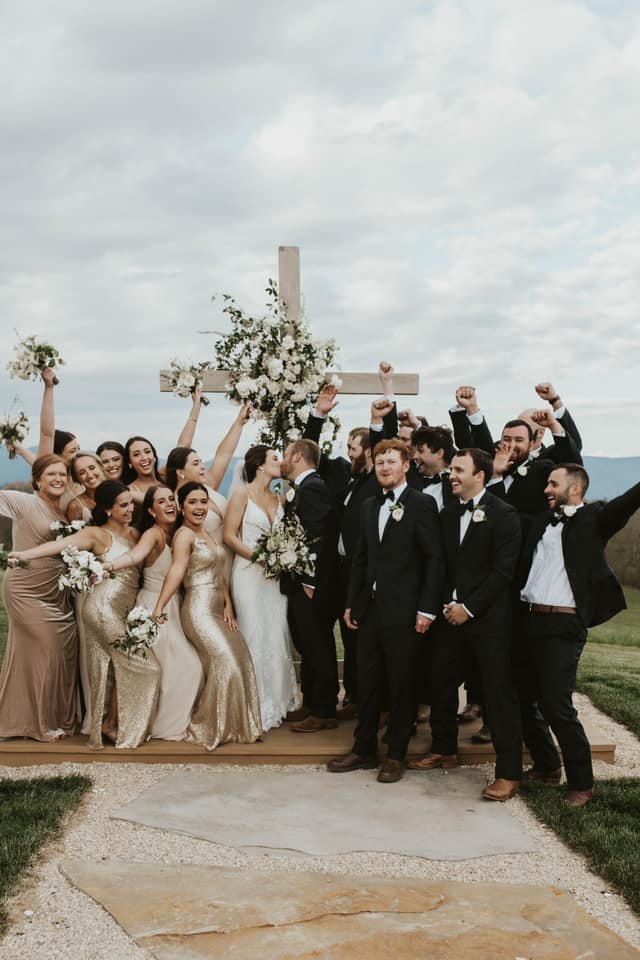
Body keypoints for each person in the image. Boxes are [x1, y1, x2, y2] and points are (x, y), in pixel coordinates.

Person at [517, 464, 640, 807]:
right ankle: (546, 766)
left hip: (564, 626)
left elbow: (630, 500)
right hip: (529, 620)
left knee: (556, 705)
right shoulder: (542, 521)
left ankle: (582, 785)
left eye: (553, 483)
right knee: (523, 699)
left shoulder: (595, 519)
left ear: (574, 489)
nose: (546, 489)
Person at [408, 449, 523, 801]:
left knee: (497, 695)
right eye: (452, 469)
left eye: (459, 470)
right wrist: (441, 607)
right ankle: (444, 748)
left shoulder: (505, 515)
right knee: (440, 683)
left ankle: (508, 774)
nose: (451, 475)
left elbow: (503, 572)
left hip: (488, 622)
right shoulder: (447, 514)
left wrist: (469, 608)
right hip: (448, 619)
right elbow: (439, 566)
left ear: (481, 475)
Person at [11, 481, 162, 749]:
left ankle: (110, 725)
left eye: (131, 503)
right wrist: (24, 554)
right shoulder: (95, 534)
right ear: (106, 508)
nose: (130, 509)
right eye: (123, 505)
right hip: (101, 609)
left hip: (123, 610)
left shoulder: (137, 535)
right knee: (147, 667)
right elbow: (61, 545)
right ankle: (115, 727)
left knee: (116, 668)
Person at [328, 439, 443, 782]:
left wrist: (427, 609)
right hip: (371, 609)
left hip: (407, 611)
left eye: (391, 461)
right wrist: (352, 602)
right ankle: (363, 748)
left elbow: (434, 560)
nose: (385, 467)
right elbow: (361, 559)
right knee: (367, 678)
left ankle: (395, 753)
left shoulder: (421, 504)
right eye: (380, 462)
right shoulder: (368, 506)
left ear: (406, 465)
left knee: (402, 682)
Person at [152, 482, 262, 750]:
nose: (199, 507)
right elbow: (177, 571)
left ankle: (238, 726)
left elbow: (218, 573)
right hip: (198, 610)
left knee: (242, 658)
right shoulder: (184, 535)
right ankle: (210, 726)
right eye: (192, 502)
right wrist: (159, 607)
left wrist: (228, 605)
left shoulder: (208, 534)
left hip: (217, 609)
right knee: (225, 663)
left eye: (203, 502)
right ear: (181, 506)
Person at [106, 485, 204, 741]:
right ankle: (124, 723)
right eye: (161, 501)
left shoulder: (181, 533)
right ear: (150, 510)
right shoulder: (153, 534)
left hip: (174, 606)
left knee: (181, 668)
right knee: (173, 667)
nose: (169, 504)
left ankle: (153, 722)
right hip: (152, 608)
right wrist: (112, 565)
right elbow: (135, 555)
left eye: (171, 498)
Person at [1, 454, 78, 740]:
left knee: (58, 657)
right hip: (26, 591)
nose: (58, 479)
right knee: (46, 652)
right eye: (51, 475)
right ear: (37, 480)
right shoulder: (24, 502)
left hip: (57, 594)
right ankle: (38, 726)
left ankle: (52, 718)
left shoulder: (64, 511)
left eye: (62, 474)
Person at [223, 446, 300, 730]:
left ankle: (277, 701)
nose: (279, 463)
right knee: (253, 632)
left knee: (276, 632)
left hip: (274, 578)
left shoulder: (279, 494)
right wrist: (260, 558)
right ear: (259, 466)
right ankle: (251, 704)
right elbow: (230, 537)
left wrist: (282, 557)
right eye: (274, 459)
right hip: (248, 574)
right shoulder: (241, 495)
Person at [280, 439, 341, 733]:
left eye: (285, 454)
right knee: (306, 643)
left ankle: (324, 710)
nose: (282, 459)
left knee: (318, 645)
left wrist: (309, 581)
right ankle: (311, 702)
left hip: (312, 584)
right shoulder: (301, 487)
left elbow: (319, 537)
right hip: (300, 581)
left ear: (298, 457)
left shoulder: (314, 487)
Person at [66, 452, 106, 521]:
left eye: (92, 468)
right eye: (82, 473)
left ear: (101, 467)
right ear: (76, 479)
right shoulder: (75, 506)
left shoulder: (120, 494)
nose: (89, 475)